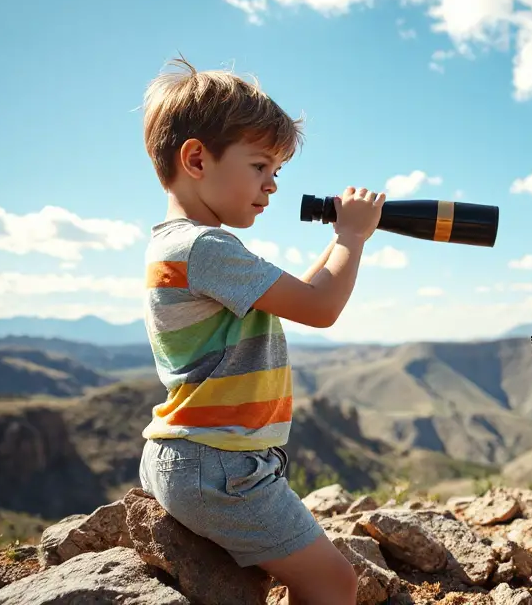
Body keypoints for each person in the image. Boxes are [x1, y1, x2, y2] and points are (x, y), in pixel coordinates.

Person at [136, 55, 383, 605]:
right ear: (197, 158)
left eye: (276, 172)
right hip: (216, 463)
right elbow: (320, 308)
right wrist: (352, 238)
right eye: (259, 167)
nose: (270, 186)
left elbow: (303, 293)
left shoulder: (188, 246)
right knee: (334, 582)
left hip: (205, 457)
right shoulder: (204, 247)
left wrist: (343, 235)